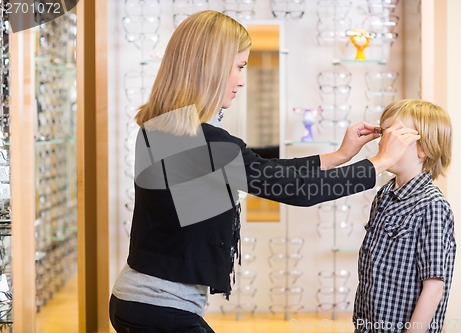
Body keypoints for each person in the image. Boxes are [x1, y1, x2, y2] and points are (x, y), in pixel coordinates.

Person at [109, 10, 420, 333]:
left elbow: (265, 172)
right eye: (239, 67)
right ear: (211, 68)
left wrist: (339, 155)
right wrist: (379, 162)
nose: (242, 80)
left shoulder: (163, 130)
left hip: (139, 301)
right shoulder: (205, 142)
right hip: (160, 308)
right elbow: (296, 191)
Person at [353, 99, 456, 333]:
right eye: (383, 134)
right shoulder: (384, 195)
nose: (383, 142)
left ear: (425, 148)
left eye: (395, 136)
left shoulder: (432, 206)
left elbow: (433, 288)